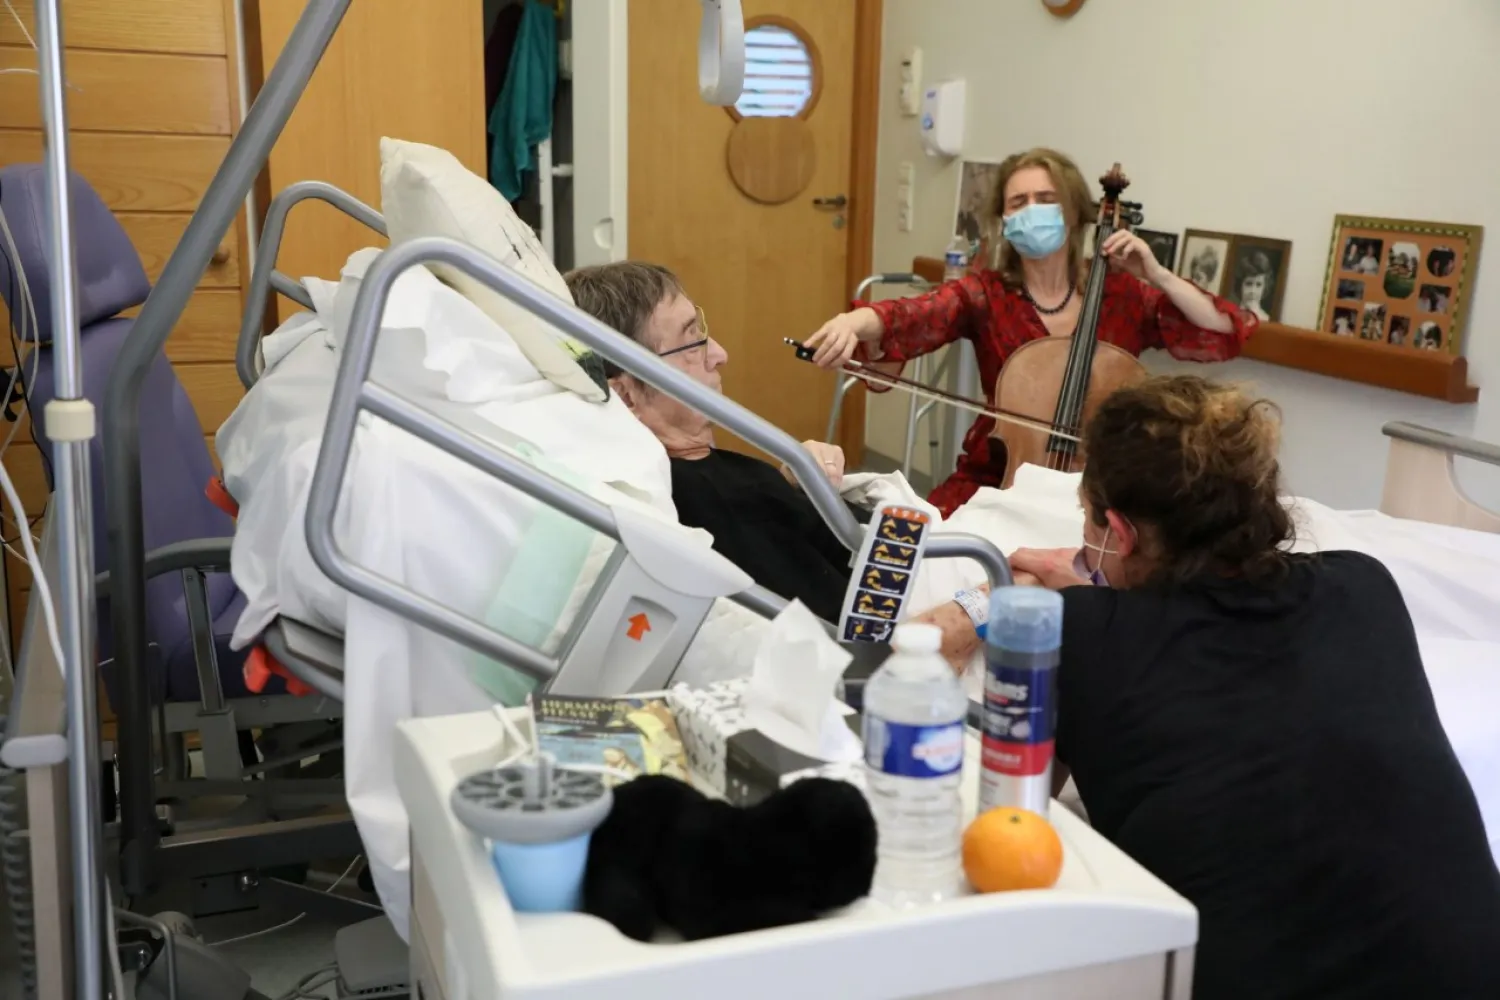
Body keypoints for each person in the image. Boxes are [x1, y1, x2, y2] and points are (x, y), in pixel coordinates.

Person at [915, 375, 1500, 1000]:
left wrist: (998, 595)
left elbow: (1002, 820)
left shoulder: (1073, 637)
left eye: (1090, 522)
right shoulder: (1363, 587)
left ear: (1121, 530)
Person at [802, 147, 1258, 518]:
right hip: (1000, 476)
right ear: (1004, 220)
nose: (1031, 211)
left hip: (1104, 490)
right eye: (1018, 203)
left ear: (1076, 212)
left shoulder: (1123, 296)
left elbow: (1222, 328)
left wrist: (1156, 274)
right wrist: (850, 323)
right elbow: (911, 313)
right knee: (932, 553)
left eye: (1045, 199)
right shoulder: (985, 293)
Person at [565, 261, 863, 623]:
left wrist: (796, 487)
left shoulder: (707, 472)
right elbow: (859, 632)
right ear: (626, 396)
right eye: (690, 342)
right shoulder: (705, 499)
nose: (720, 354)